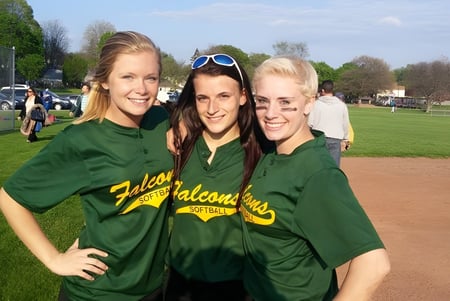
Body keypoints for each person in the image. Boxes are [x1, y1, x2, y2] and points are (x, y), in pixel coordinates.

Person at [0, 31, 173, 301]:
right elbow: (10, 198)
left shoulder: (161, 120)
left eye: (150, 78)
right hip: (98, 291)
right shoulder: (82, 140)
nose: (141, 88)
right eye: (127, 77)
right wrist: (54, 259)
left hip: (153, 286)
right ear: (104, 81)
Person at [240, 56, 390, 301]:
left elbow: (374, 263)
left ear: (309, 103)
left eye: (285, 102)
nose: (271, 113)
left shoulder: (317, 174)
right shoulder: (272, 151)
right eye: (262, 101)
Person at [165, 53, 262, 301]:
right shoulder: (178, 147)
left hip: (237, 287)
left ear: (242, 96)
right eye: (202, 98)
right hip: (179, 284)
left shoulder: (263, 153)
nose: (211, 109)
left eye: (223, 96)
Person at [308, 80, 350, 166]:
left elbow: (309, 123)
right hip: (335, 139)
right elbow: (345, 124)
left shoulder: (315, 104)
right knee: (333, 166)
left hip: (319, 138)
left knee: (318, 165)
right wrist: (345, 139)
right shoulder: (342, 105)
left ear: (323, 90)